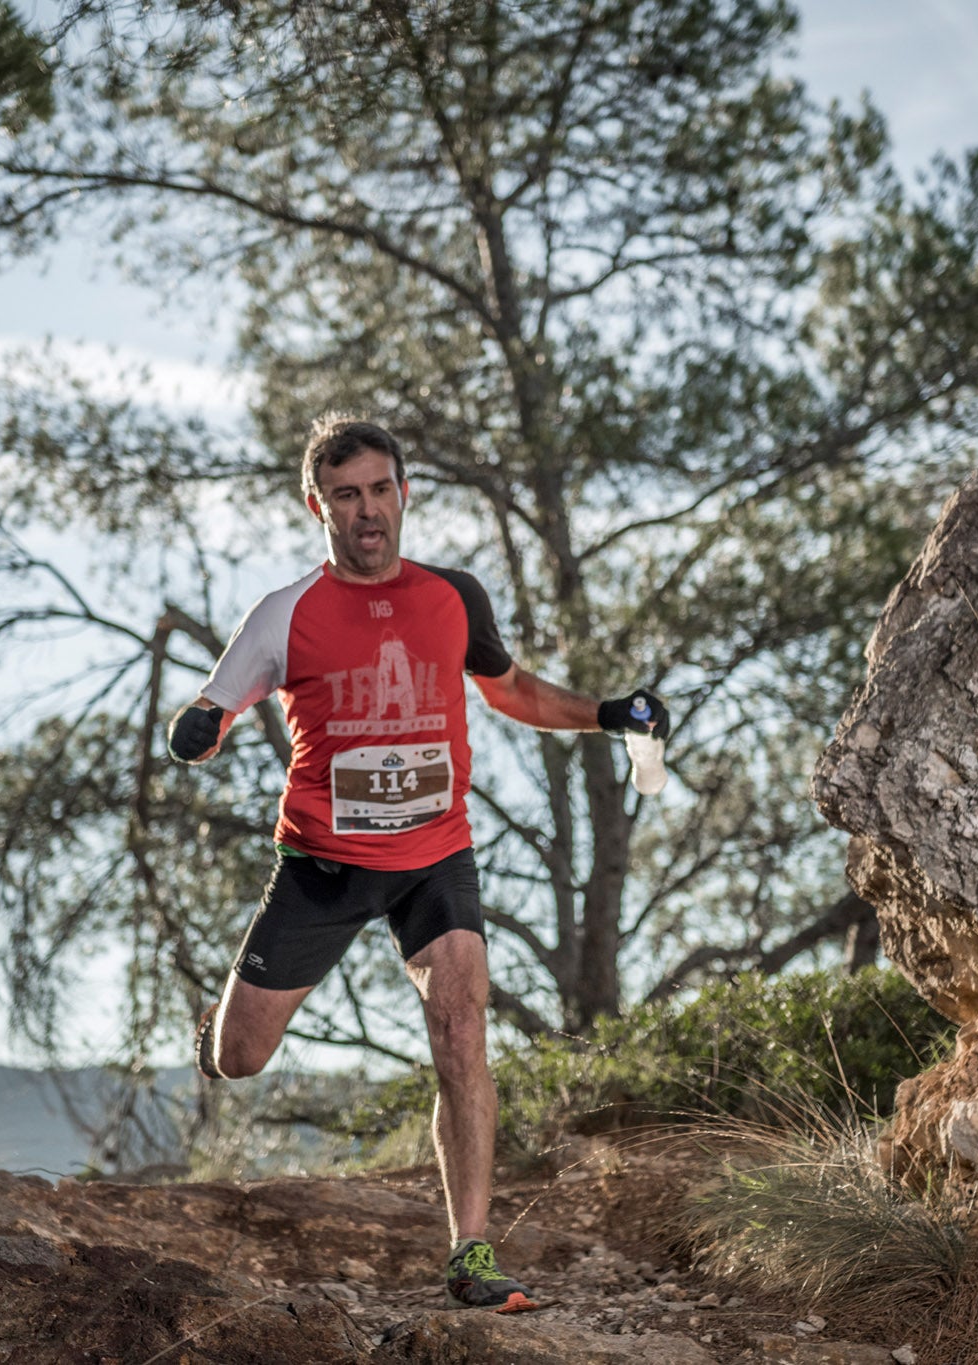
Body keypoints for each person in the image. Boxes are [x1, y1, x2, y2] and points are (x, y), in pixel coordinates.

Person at [166, 414, 668, 1312]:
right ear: (317, 504)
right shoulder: (284, 614)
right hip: (323, 866)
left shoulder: (452, 597)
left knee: (462, 1030)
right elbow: (218, 700)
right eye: (346, 495)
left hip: (436, 857)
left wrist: (608, 712)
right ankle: (215, 1033)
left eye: (381, 489)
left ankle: (471, 1253)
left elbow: (510, 690)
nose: (368, 511)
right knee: (243, 1057)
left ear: (406, 493)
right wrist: (201, 726)